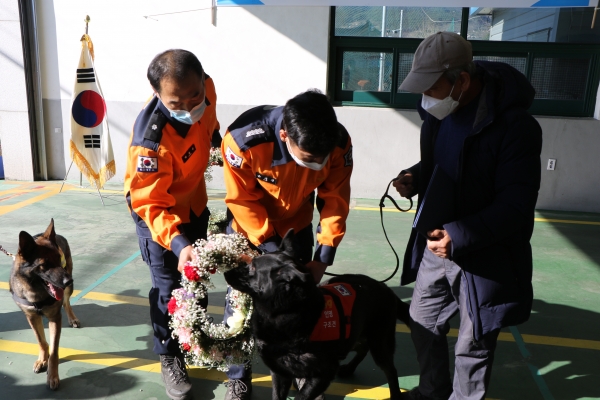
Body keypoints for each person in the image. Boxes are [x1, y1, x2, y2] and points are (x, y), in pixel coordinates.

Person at [394, 32, 542, 400]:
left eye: (432, 88)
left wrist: (459, 237)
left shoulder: (515, 128)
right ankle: (432, 391)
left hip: (484, 255)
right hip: (437, 245)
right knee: (422, 321)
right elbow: (443, 164)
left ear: (461, 80)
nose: (426, 97)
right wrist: (417, 175)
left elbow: (516, 205)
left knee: (473, 344)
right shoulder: (439, 113)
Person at [220, 89, 354, 400]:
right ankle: (238, 376)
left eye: (322, 160)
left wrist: (323, 256)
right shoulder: (244, 140)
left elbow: (335, 199)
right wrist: (268, 249)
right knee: (241, 305)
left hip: (297, 229)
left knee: (295, 305)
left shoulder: (337, 142)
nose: (318, 164)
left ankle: (299, 370)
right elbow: (242, 199)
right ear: (284, 135)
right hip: (250, 232)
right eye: (309, 160)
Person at [124, 49, 221, 400]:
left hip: (194, 203)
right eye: (176, 101)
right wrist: (179, 245)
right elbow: (151, 202)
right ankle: (170, 355)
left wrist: (218, 142)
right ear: (158, 96)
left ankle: (195, 337)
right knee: (168, 289)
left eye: (195, 95)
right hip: (159, 218)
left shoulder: (206, 88)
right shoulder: (150, 142)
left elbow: (210, 123)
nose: (190, 105)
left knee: (197, 279)